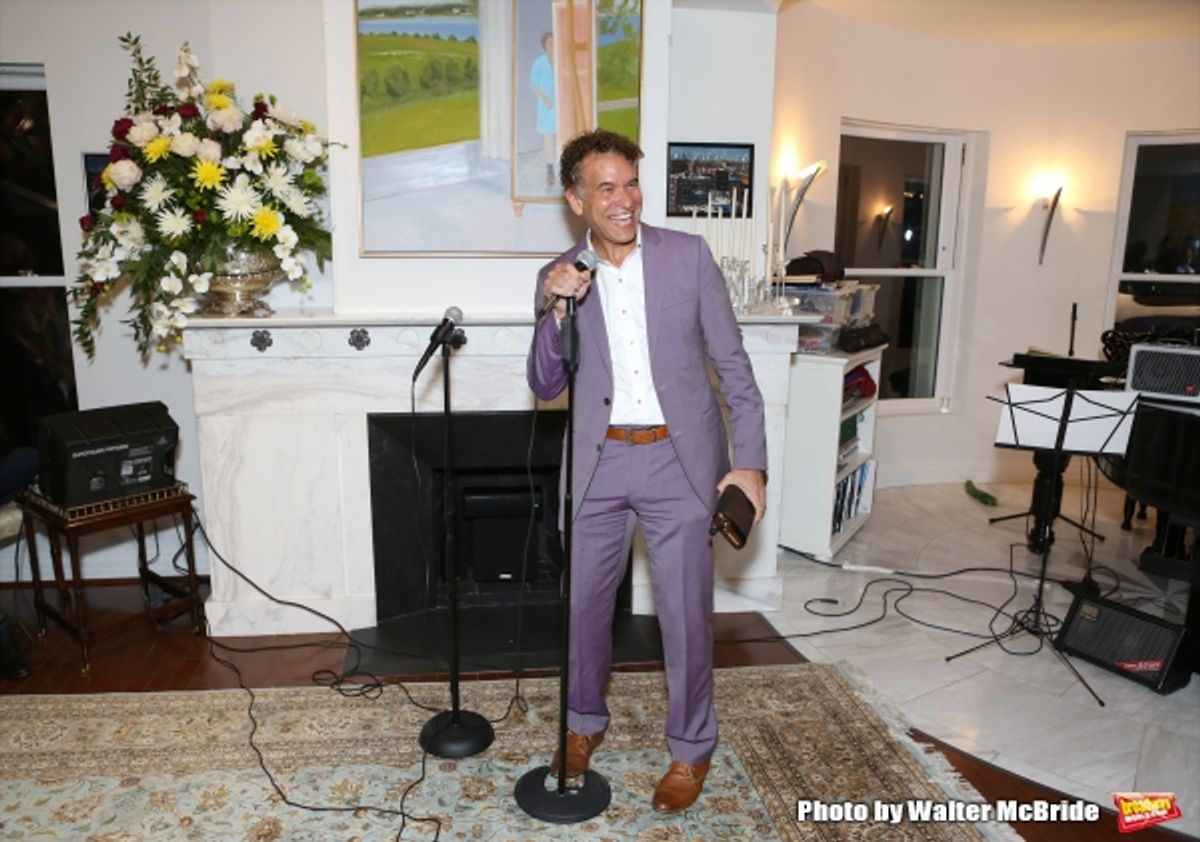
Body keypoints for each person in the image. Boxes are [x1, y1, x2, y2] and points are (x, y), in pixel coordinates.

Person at [526, 129, 767, 813]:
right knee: (584, 611)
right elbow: (544, 383)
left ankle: (691, 747)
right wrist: (555, 308)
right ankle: (581, 724)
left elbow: (734, 368)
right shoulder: (559, 274)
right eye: (605, 187)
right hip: (598, 464)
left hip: (677, 460)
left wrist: (749, 464)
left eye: (630, 182)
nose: (624, 199)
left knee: (685, 615)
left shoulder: (688, 257)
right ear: (576, 200)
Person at [529, 32, 556, 189]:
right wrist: (545, 99)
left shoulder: (561, 60)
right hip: (547, 107)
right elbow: (533, 85)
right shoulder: (538, 63)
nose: (553, 45)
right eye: (550, 42)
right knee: (548, 139)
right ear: (545, 45)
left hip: (561, 105)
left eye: (555, 42)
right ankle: (550, 171)